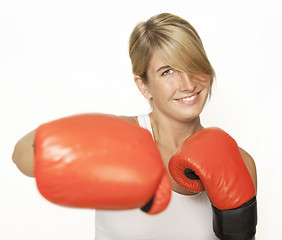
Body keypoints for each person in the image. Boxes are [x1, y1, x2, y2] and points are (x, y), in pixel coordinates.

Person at [12, 13, 257, 240]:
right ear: (144, 86)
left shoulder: (240, 162)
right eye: (167, 71)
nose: (187, 83)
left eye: (193, 65)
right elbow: (22, 157)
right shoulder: (121, 137)